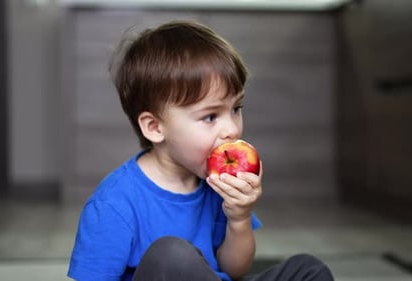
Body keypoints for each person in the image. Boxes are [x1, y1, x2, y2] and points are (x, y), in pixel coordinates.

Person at [67, 20, 334, 281]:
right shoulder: (114, 204)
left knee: (308, 270)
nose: (231, 129)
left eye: (236, 109)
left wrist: (239, 217)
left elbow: (234, 270)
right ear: (154, 127)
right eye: (210, 117)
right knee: (171, 256)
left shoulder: (216, 185)